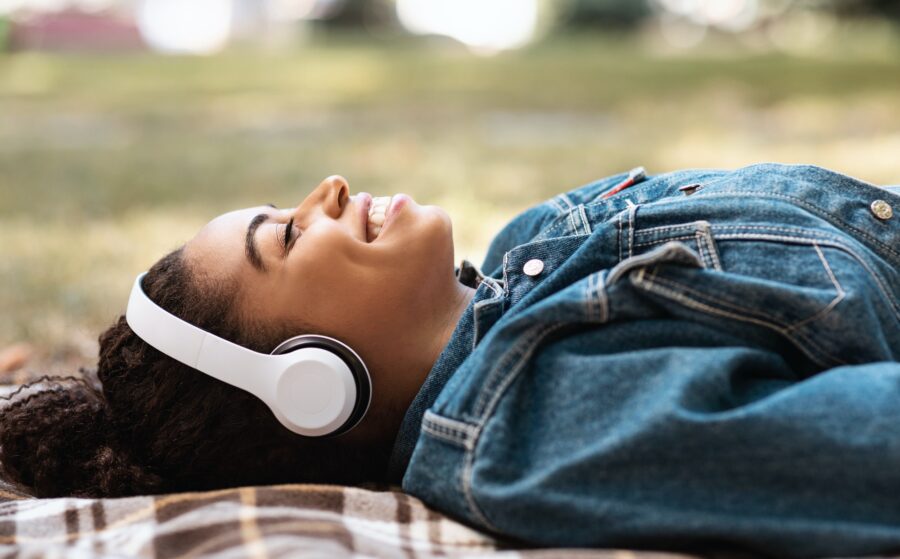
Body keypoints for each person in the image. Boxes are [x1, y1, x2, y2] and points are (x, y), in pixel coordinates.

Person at [1, 163, 900, 558]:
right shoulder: (541, 428)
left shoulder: (529, 254)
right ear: (311, 381)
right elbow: (859, 452)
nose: (329, 191)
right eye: (284, 234)